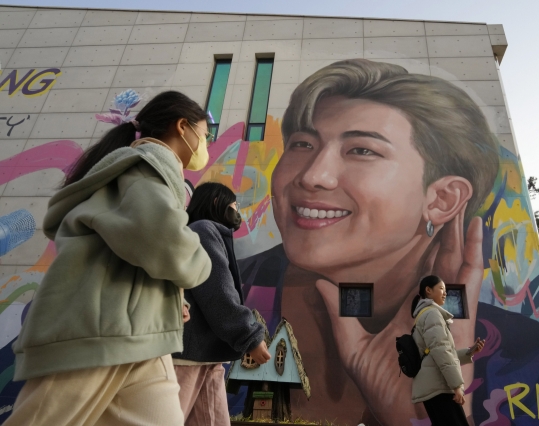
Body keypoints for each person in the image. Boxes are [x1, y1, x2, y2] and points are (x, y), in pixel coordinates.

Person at [263, 58, 500, 425]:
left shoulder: (525, 357)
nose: (314, 176)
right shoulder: (224, 297)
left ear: (442, 200)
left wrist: (422, 415)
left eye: (361, 150)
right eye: (302, 144)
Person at [5, 91, 214, 426]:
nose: (206, 144)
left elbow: (132, 248)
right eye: (206, 135)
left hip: (138, 336)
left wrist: (167, 299)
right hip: (100, 335)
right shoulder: (146, 166)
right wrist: (203, 263)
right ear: (183, 127)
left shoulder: (142, 171)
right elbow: (166, 241)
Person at [173, 182, 271, 426]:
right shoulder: (204, 231)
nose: (238, 213)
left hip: (204, 356)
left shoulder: (199, 231)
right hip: (189, 357)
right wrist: (249, 336)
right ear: (217, 203)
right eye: (235, 205)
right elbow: (218, 290)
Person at [411, 275, 484, 426]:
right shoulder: (432, 314)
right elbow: (441, 351)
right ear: (428, 290)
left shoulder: (423, 315)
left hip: (434, 386)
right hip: (440, 387)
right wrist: (456, 385)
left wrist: (470, 352)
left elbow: (436, 353)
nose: (445, 293)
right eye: (442, 288)